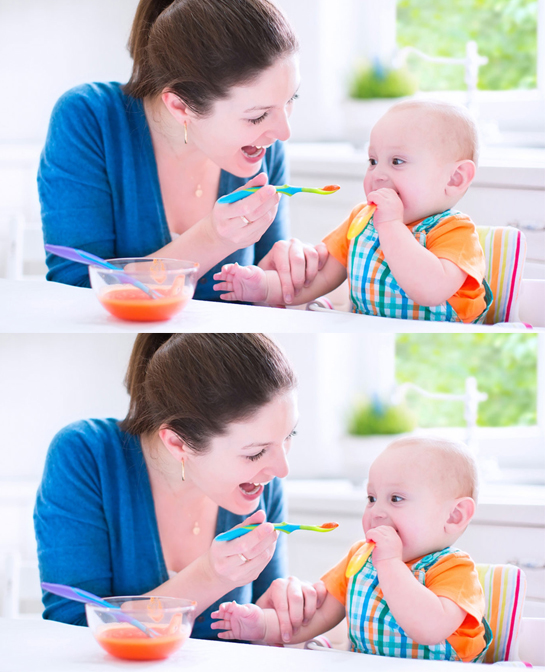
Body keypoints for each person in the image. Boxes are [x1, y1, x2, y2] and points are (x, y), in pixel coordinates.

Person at [34, 333, 326, 641]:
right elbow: (71, 632)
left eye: (289, 435)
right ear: (177, 442)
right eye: (255, 452)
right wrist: (209, 576)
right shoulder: (87, 455)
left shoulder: (260, 483)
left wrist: (286, 624)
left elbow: (263, 631)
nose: (282, 469)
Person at [38, 0, 327, 302]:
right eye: (256, 115)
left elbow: (268, 295)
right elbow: (76, 293)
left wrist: (287, 280)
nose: (283, 132)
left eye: (291, 97)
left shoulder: (262, 145)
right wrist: (212, 238)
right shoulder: (90, 119)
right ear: (180, 106)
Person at [212, 436, 492, 662]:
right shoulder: (359, 559)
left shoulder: (455, 570)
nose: (377, 512)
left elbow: (430, 629)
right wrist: (261, 624)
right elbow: (317, 617)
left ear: (454, 516)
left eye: (396, 498)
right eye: (371, 498)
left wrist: (390, 563)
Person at [213, 100, 493, 323]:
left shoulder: (456, 232)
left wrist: (391, 225)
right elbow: (318, 278)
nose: (378, 174)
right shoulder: (361, 221)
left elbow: (430, 291)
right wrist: (263, 286)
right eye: (372, 161)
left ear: (455, 178)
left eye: (397, 161)